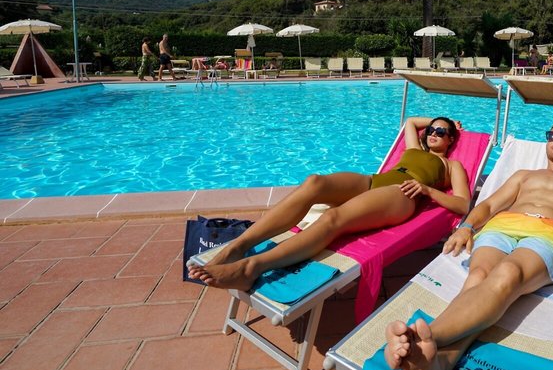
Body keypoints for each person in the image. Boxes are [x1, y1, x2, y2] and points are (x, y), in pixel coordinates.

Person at [383, 119, 553, 370]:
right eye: (552, 135)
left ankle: (423, 338)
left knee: (508, 272)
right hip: (501, 228)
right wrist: (467, 226)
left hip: (550, 235)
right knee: (478, 277)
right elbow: (490, 205)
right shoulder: (524, 175)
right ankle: (434, 366)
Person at [187, 116, 471, 291]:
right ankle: (238, 246)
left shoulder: (452, 165)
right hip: (375, 181)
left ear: (451, 140)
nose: (433, 133)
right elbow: (410, 121)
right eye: (431, 129)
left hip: (402, 194)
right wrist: (445, 121)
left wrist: (427, 190)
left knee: (333, 218)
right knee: (315, 183)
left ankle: (251, 268)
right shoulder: (414, 147)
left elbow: (462, 204)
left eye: (441, 131)